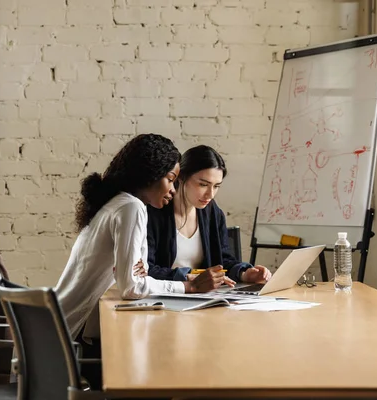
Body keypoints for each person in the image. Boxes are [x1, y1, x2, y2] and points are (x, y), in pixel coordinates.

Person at [54, 134, 222, 389]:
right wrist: (189, 287)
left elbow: (134, 277)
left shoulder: (116, 203)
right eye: (170, 180)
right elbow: (132, 286)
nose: (173, 190)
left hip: (59, 334)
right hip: (77, 346)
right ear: (150, 176)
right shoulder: (131, 207)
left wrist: (139, 276)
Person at [147, 144, 273, 286]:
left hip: (204, 296)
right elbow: (147, 269)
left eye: (216, 186)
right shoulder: (154, 212)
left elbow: (222, 260)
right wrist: (190, 276)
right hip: (166, 296)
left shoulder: (213, 213)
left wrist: (244, 273)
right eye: (203, 184)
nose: (210, 194)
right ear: (181, 177)